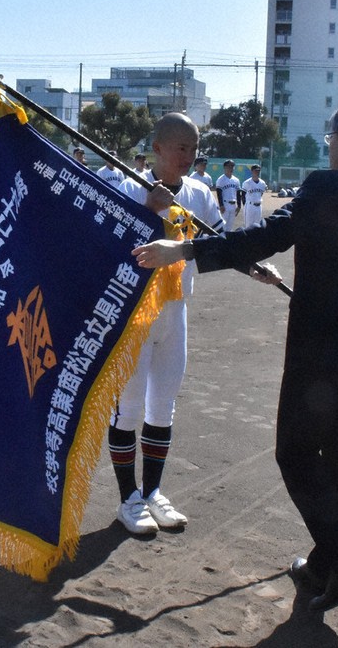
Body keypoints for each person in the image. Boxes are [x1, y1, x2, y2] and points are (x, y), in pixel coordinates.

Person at [132, 96, 338, 612]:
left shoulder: (323, 188)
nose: (330, 144)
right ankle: (326, 565)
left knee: (295, 453)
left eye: (334, 135)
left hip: (321, 354)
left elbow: (266, 236)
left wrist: (187, 250)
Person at [110, 112, 225, 535]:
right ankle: (129, 499)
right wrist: (145, 208)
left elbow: (218, 242)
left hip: (176, 310)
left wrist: (253, 266)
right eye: (181, 148)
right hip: (135, 314)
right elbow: (108, 244)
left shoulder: (199, 192)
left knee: (164, 404)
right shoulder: (126, 186)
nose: (189, 156)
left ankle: (153, 491)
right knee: (130, 407)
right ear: (157, 148)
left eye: (195, 149)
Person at [215, 159, 242, 231]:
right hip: (225, 204)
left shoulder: (236, 180)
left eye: (232, 166)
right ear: (225, 167)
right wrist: (221, 205)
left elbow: (238, 193)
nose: (231, 168)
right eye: (229, 166)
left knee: (230, 227)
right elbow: (219, 193)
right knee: (223, 226)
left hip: (234, 205)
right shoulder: (221, 179)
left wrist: (239, 205)